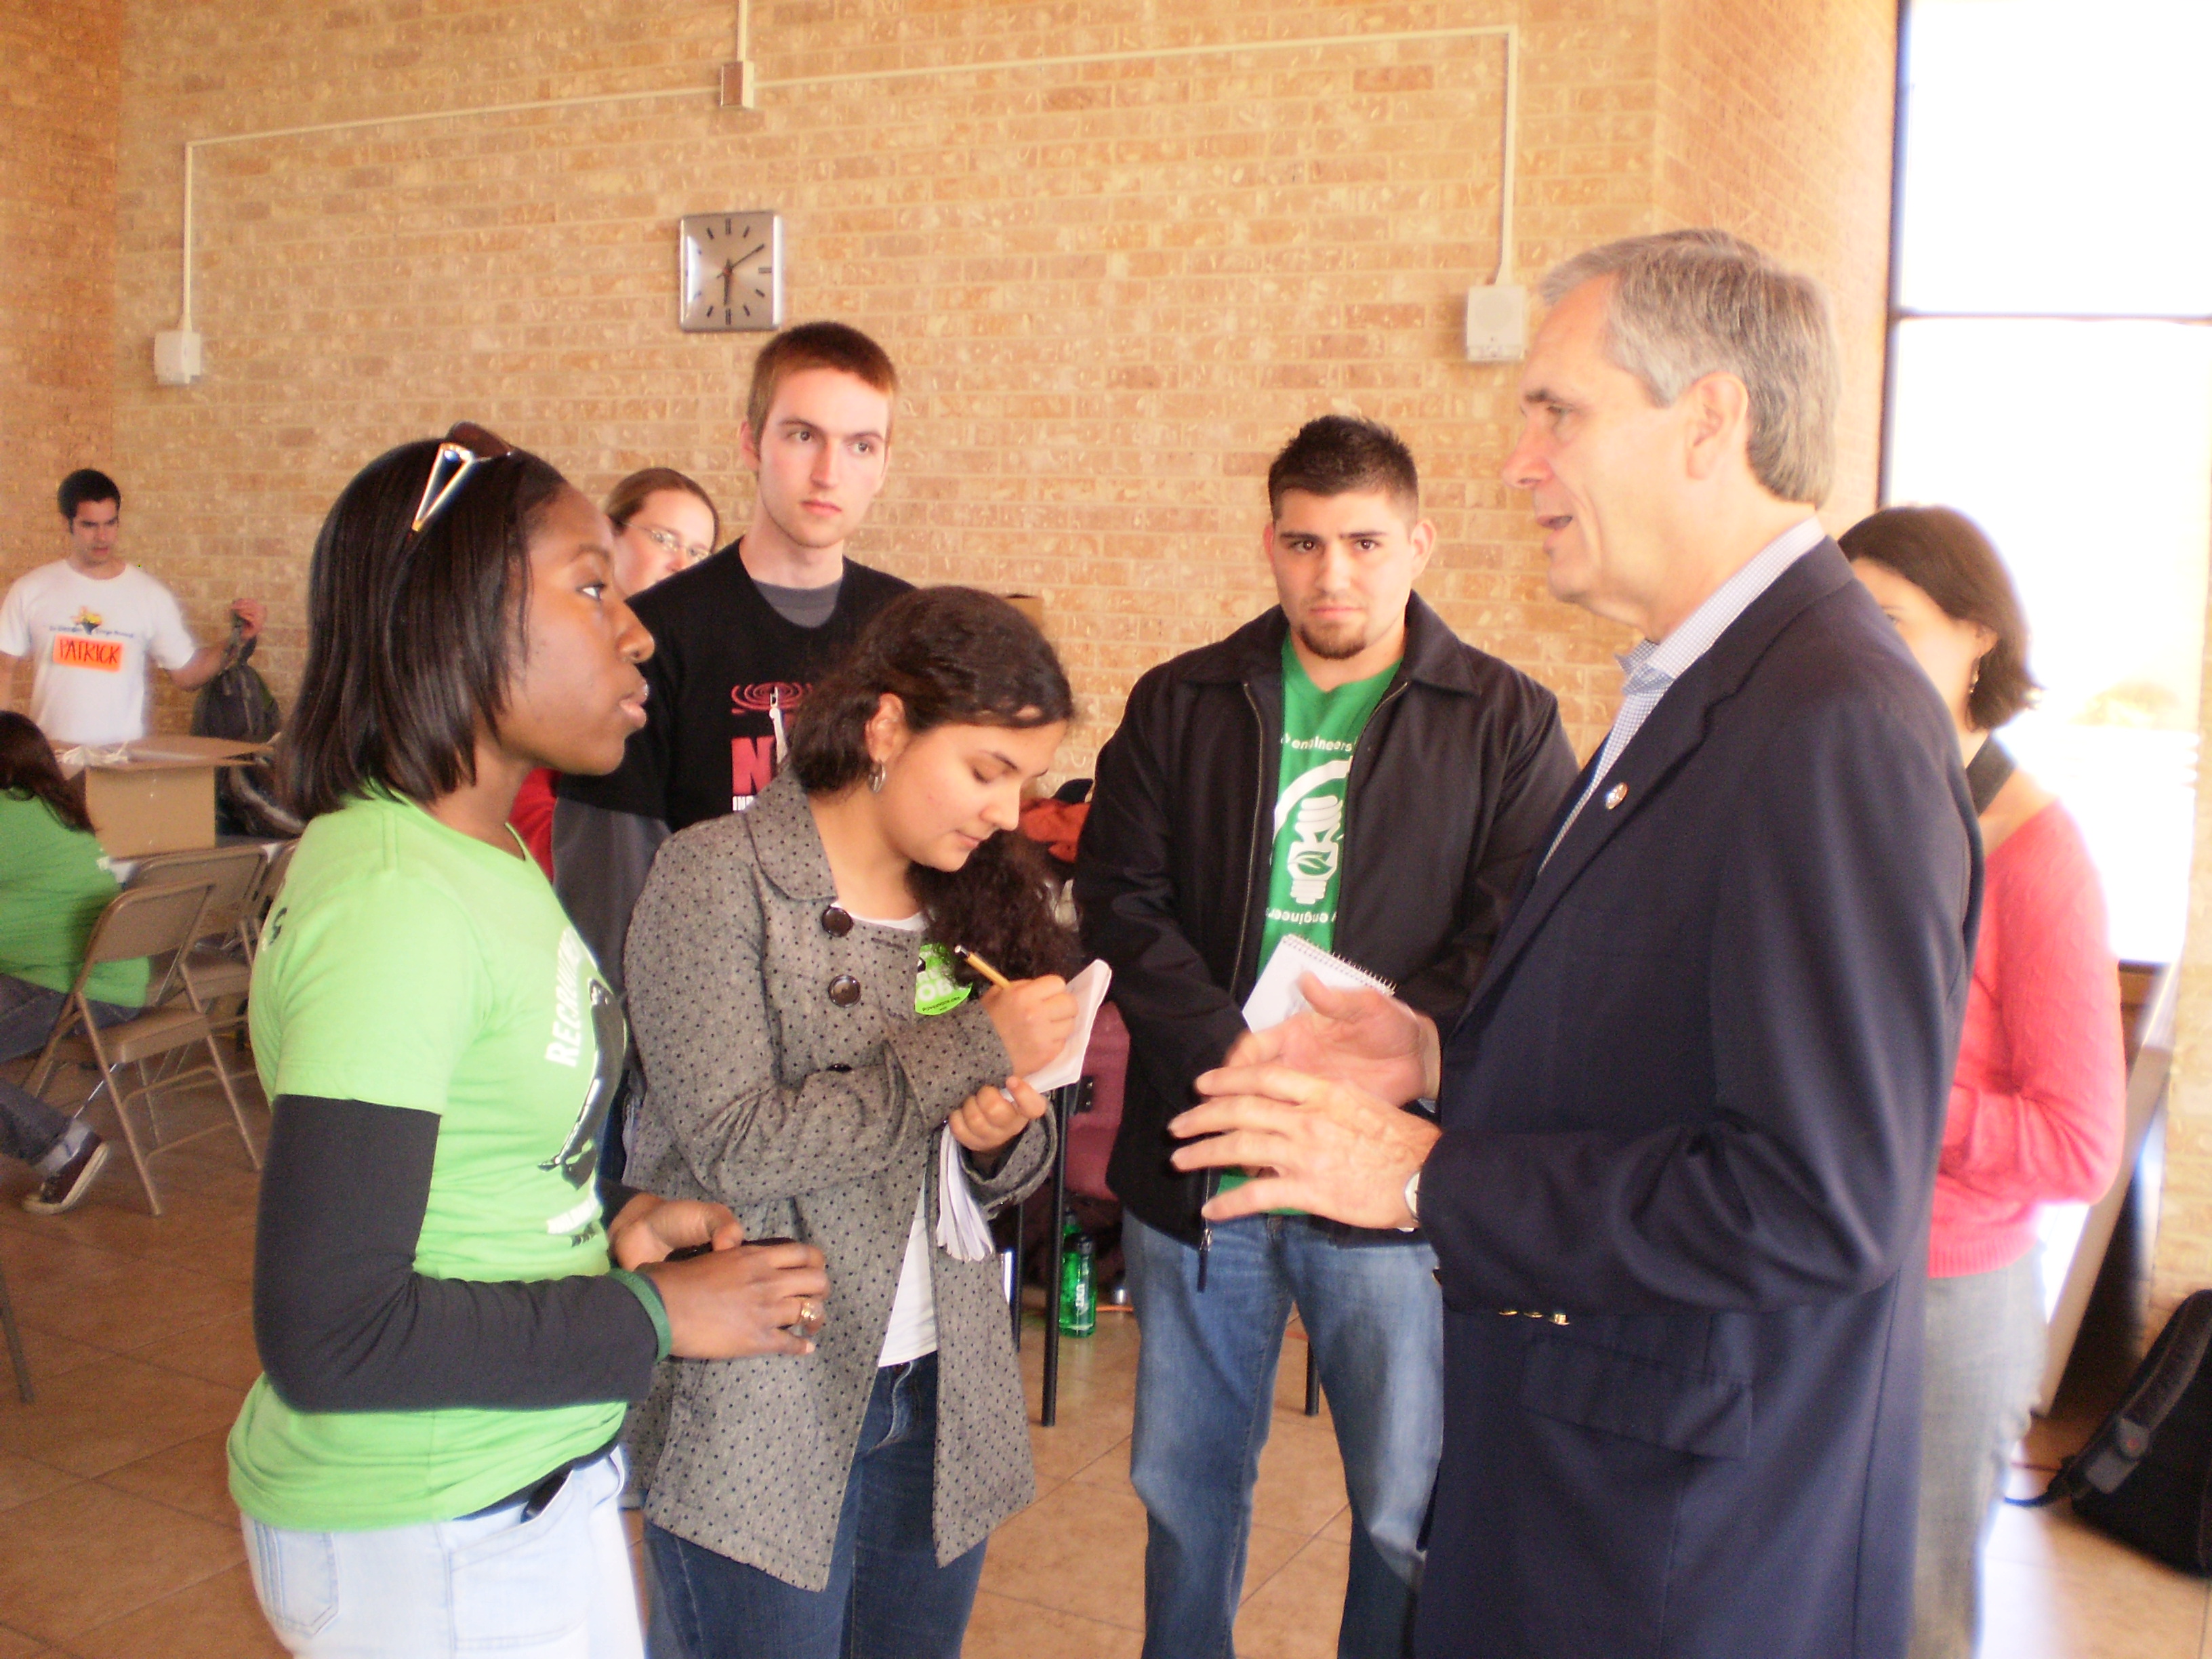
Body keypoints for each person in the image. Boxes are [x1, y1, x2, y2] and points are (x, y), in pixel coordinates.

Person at [1170, 230, 1982, 1658]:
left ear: (1710, 422)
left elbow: (1817, 1196)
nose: (1518, 463)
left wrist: (1432, 1179)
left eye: (1560, 411)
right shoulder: (1710, 684)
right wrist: (1429, 1048)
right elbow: (1665, 1028)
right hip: (1593, 1482)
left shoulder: (1831, 719)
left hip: (1680, 1543)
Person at [228, 424, 831, 1659]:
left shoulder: (484, 851)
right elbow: (330, 1327)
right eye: (591, 583)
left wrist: (603, 1237)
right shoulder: (392, 898)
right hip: (429, 1526)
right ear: (454, 615)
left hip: (511, 1484)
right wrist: (653, 1312)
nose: (639, 628)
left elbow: (471, 1168)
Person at [1075, 415, 1578, 1657]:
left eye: (1361, 541)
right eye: (1302, 542)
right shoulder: (1180, 698)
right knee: (1183, 1495)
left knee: (1405, 1511)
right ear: (1268, 544)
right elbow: (1119, 897)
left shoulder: (1506, 718)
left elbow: (1520, 932)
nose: (1331, 574)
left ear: (1416, 540)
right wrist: (1228, 1051)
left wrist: (1386, 1053)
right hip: (1208, 1158)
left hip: (1390, 1175)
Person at [621, 586, 1078, 1659]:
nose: (1008, 814)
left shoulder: (979, 896)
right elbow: (736, 1142)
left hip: (940, 1382)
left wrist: (998, 1133)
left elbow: (1019, 1149)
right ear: (884, 726)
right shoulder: (715, 878)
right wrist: (971, 1050)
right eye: (984, 771)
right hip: (764, 1391)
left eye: (1026, 780)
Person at [1842, 505, 2126, 1659]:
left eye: (1890, 622)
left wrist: (1884, 1099)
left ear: (1974, 640)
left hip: (1947, 1296)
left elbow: (2074, 1144)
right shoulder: (1854, 806)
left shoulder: (2039, 856)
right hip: (1818, 1256)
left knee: (1909, 1617)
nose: (1858, 649)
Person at [553, 323, 914, 1000]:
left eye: (860, 445)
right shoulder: (650, 637)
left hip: (871, 1021)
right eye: (803, 436)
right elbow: (609, 900)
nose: (829, 473)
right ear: (751, 441)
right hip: (706, 1026)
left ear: (885, 465)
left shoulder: (911, 634)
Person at [510, 466, 721, 875]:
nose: (682, 564)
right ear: (608, 534)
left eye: (698, 552)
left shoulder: (690, 667)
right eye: (664, 539)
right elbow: (528, 816)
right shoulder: (560, 648)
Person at [0, 469, 266, 745]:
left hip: (121, 763)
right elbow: (3, 668)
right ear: (68, 523)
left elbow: (187, 674)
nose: (102, 537)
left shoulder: (149, 595)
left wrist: (237, 639)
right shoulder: (32, 589)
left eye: (110, 523)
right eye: (89, 525)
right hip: (53, 763)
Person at [0, 711, 137, 1214]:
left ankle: (63, 1148)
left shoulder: (9, 816)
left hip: (69, 987)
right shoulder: (56, 810)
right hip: (100, 980)